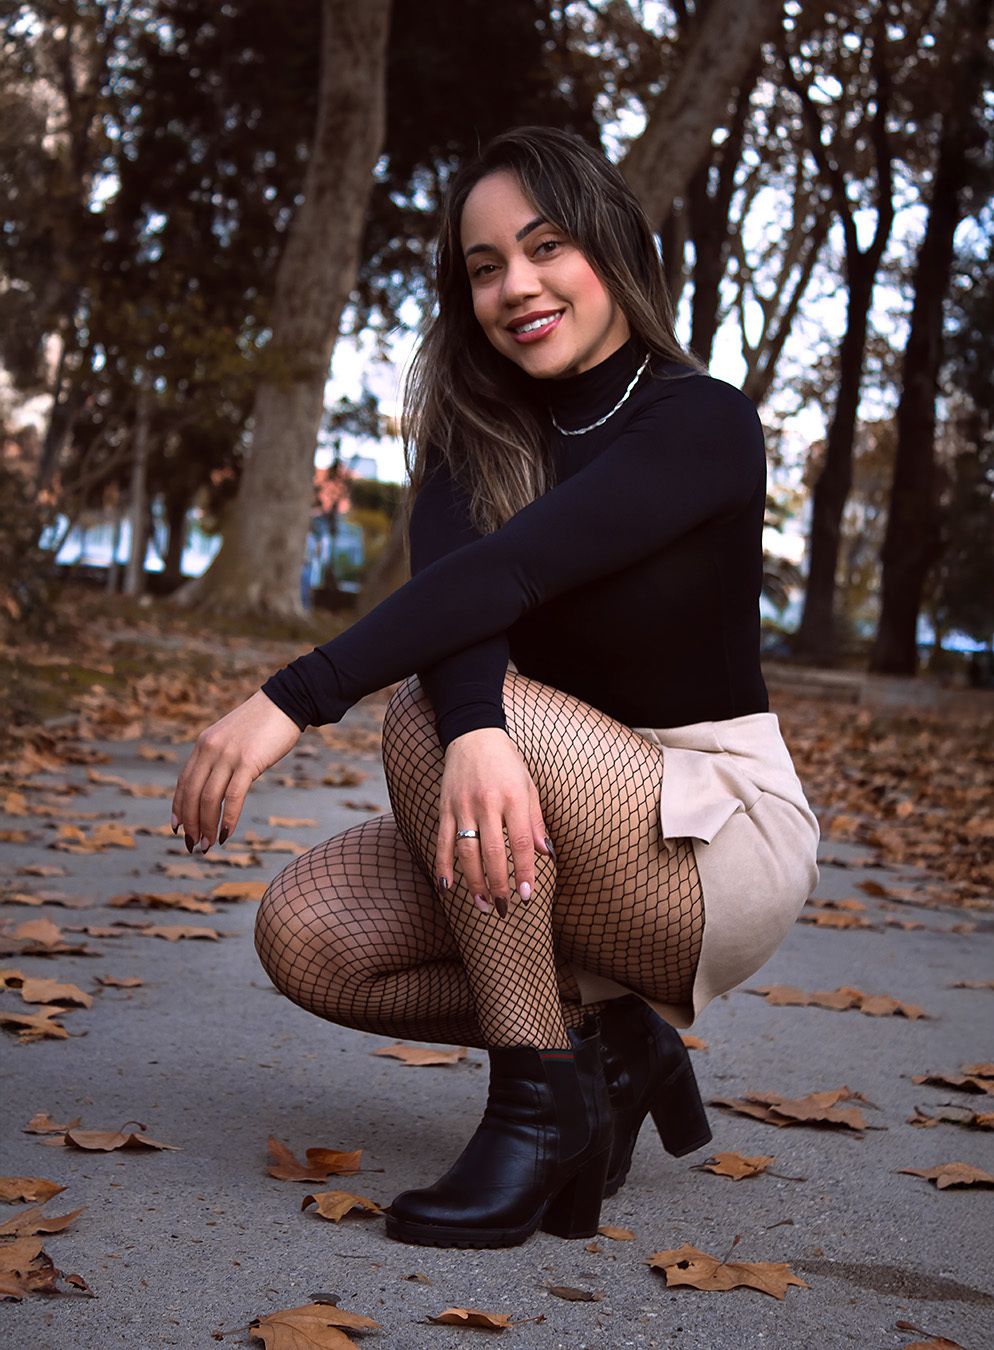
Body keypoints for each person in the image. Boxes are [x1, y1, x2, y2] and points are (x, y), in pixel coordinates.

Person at [171, 126, 819, 1251]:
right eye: (484, 266)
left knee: (438, 717)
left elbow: (508, 575)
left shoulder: (700, 420)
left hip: (716, 834)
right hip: (556, 798)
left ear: (613, 247)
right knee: (309, 935)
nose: (516, 285)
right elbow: (461, 610)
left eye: (546, 246)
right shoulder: (473, 434)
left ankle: (537, 1107)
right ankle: (612, 1047)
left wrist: (291, 699)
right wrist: (477, 723)